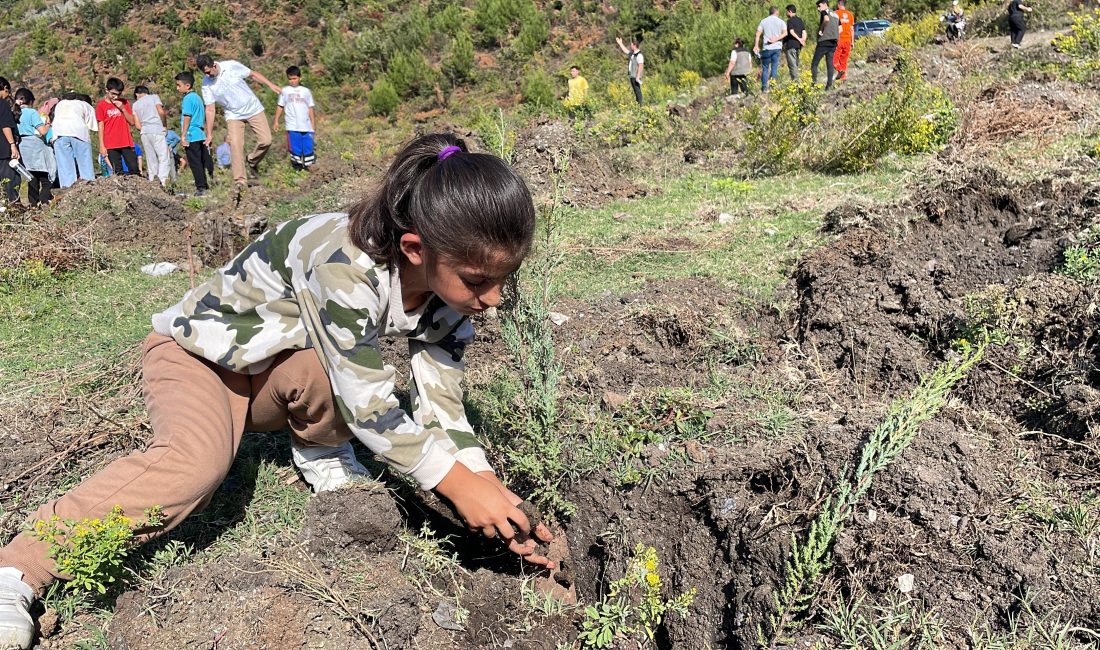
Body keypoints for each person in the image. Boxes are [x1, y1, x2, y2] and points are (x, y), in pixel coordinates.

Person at [0, 133, 555, 650]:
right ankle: (19, 568)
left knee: (327, 364)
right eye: (481, 281)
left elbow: (441, 401)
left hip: (275, 370)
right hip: (199, 360)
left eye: (505, 279)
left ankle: (320, 450)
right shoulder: (343, 261)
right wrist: (454, 484)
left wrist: (483, 483)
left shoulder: (450, 296)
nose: (495, 299)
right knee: (196, 467)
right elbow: (365, 401)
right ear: (414, 248)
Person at [197, 54, 280, 191]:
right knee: (235, 146)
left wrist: (271, 85)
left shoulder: (231, 66)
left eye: (209, 71)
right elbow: (210, 109)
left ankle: (252, 160)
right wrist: (209, 133)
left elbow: (252, 74)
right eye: (204, 73)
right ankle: (240, 181)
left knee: (266, 140)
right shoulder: (206, 84)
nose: (208, 75)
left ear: (214, 65)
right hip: (233, 115)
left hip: (253, 108)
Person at [13, 88, 55, 206]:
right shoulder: (31, 113)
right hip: (35, 146)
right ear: (30, 101)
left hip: (22, 146)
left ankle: (33, 204)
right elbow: (42, 131)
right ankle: (44, 200)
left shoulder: (15, 113)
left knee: (31, 178)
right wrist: (48, 124)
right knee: (45, 178)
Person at [271, 66, 317, 171]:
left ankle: (310, 169)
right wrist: (276, 121)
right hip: (292, 126)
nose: (292, 81)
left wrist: (313, 124)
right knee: (295, 149)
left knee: (308, 148)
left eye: (294, 78)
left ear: (299, 78)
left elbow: (310, 108)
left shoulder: (306, 91)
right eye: (290, 79)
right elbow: (280, 106)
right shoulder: (285, 91)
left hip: (306, 126)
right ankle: (298, 170)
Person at [175, 71, 211, 196]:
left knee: (194, 162)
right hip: (200, 134)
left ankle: (201, 187)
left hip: (191, 134)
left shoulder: (188, 99)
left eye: (179, 85)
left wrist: (183, 135)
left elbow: (187, 117)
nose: (177, 88)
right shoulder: (197, 97)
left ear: (187, 85)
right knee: (200, 161)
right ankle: (205, 184)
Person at [51, 92, 97, 188]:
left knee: (65, 167)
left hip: (59, 133)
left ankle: (67, 191)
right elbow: (92, 126)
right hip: (78, 132)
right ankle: (89, 188)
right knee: (85, 164)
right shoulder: (85, 104)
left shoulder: (60, 104)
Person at [95, 78, 139, 176]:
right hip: (110, 143)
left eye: (118, 94)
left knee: (134, 168)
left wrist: (122, 108)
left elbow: (132, 122)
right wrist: (102, 146)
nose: (115, 97)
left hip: (126, 141)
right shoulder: (101, 106)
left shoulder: (124, 102)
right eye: (113, 94)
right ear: (107, 90)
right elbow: (101, 126)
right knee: (118, 171)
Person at [132, 86, 171, 187]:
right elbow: (161, 112)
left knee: (151, 158)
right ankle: (163, 181)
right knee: (163, 156)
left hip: (144, 132)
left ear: (136, 94)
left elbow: (137, 125)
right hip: (157, 129)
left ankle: (153, 180)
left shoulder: (135, 105)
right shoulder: (154, 97)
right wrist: (164, 125)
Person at [754, 7, 788, 92]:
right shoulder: (781, 21)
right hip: (777, 48)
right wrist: (776, 39)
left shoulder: (763, 21)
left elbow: (757, 34)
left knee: (765, 68)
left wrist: (756, 45)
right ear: (777, 12)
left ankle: (764, 87)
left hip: (767, 48)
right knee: (774, 67)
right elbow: (785, 33)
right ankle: (772, 87)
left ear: (770, 12)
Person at [0, 78, 21, 210]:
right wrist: (12, 144)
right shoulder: (2, 104)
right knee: (10, 180)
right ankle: (12, 208)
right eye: (8, 91)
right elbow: (6, 126)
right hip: (3, 150)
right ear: (4, 89)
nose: (8, 95)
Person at [812, 0, 840, 90]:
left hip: (824, 41)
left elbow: (826, 19)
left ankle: (813, 85)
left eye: (819, 6)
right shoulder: (835, 14)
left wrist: (821, 30)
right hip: (833, 42)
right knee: (829, 64)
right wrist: (834, 35)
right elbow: (841, 28)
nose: (818, 8)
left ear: (824, 4)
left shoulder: (824, 12)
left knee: (814, 64)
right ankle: (829, 85)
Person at [615, 35, 645, 104]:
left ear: (634, 45)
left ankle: (640, 106)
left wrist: (637, 77)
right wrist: (620, 43)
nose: (630, 46)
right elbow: (625, 51)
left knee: (638, 92)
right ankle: (638, 105)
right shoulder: (632, 54)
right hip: (632, 75)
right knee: (635, 91)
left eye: (631, 45)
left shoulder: (639, 55)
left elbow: (641, 66)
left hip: (636, 76)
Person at [784, 5, 807, 80]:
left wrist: (800, 39)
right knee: (796, 64)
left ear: (790, 11)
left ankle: (796, 83)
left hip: (791, 45)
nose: (786, 13)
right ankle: (797, 83)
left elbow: (791, 31)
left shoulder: (790, 21)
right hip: (798, 46)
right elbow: (804, 32)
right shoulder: (800, 20)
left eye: (787, 11)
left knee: (792, 65)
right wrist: (803, 40)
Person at [833, 0, 855, 80]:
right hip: (848, 40)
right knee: (844, 61)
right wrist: (852, 42)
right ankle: (842, 78)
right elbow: (852, 29)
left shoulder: (835, 14)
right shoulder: (850, 15)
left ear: (838, 4)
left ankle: (840, 70)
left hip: (839, 40)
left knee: (834, 60)